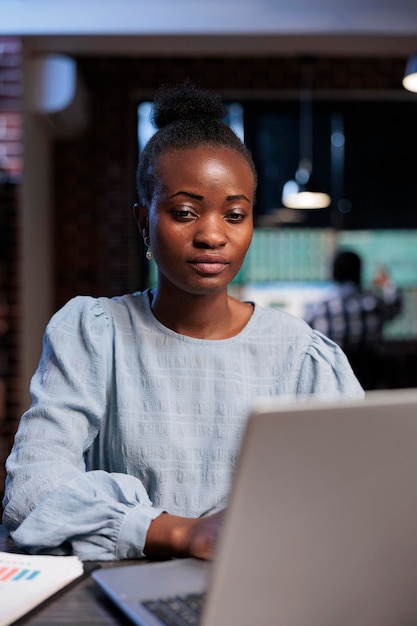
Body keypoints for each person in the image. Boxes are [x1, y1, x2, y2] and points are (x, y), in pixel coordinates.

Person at [2, 82, 363, 563]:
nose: (212, 235)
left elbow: (355, 493)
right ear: (142, 222)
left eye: (235, 214)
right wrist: (178, 533)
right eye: (185, 212)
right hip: (118, 587)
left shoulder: (301, 353)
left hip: (264, 582)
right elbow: (31, 491)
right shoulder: (95, 333)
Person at [303, 250, 401, 389]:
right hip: (370, 387)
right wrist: (387, 284)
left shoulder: (319, 309)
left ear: (333, 273)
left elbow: (301, 336)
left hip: (331, 389)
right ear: (359, 273)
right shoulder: (373, 304)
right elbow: (395, 307)